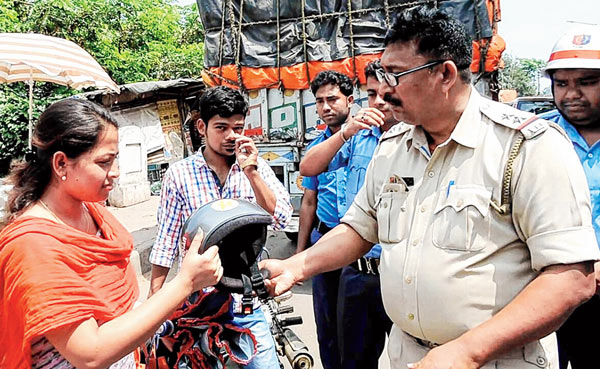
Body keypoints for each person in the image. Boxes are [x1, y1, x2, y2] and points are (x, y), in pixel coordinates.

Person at [261, 6, 599, 369]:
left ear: (445, 74)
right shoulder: (393, 147)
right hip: (408, 355)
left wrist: (470, 350)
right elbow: (358, 229)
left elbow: (572, 278)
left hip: (497, 360)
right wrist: (297, 267)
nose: (383, 93)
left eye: (395, 76)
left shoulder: (526, 146)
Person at [0, 99, 222, 369]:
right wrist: (185, 282)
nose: (115, 172)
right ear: (61, 164)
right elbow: (90, 354)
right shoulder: (33, 245)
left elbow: (123, 303)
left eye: (115, 159)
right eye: (104, 162)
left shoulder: (94, 212)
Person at [148, 86, 292, 369]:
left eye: (237, 128)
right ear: (202, 126)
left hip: (246, 298)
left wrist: (251, 172)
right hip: (197, 302)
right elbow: (166, 242)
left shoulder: (254, 167)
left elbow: (281, 219)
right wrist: (155, 305)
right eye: (221, 127)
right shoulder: (180, 175)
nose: (230, 137)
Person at [300, 60, 395, 369]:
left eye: (386, 93)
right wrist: (346, 133)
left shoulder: (419, 139)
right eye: (372, 94)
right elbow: (308, 170)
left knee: (412, 356)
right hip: (354, 267)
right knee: (348, 354)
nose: (379, 101)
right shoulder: (356, 138)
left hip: (399, 270)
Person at [539, 25, 600, 369]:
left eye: (587, 82)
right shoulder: (535, 138)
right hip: (546, 293)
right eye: (562, 84)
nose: (572, 93)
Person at [297, 70, 357, 369]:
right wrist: (299, 256)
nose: (325, 107)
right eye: (319, 101)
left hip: (360, 248)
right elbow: (309, 202)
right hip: (324, 240)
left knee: (358, 328)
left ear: (350, 99)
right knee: (327, 324)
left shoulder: (369, 139)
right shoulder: (316, 148)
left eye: (332, 99)